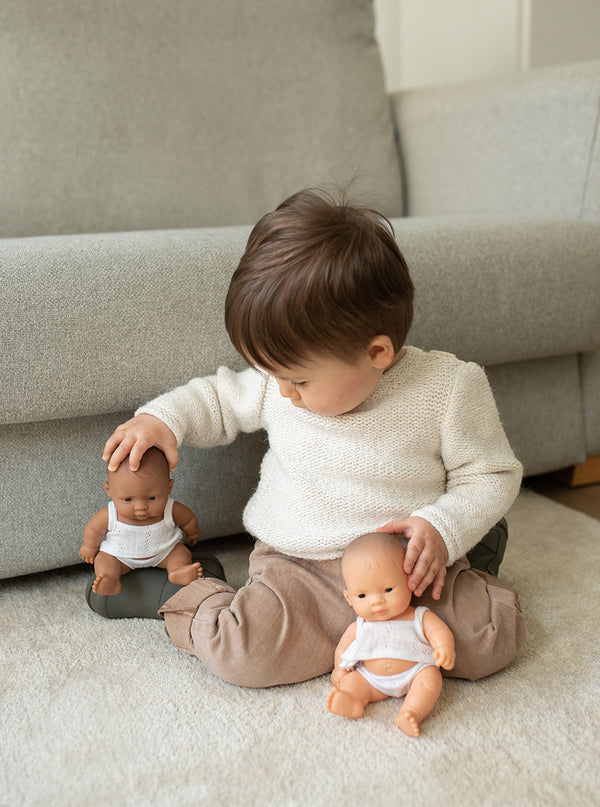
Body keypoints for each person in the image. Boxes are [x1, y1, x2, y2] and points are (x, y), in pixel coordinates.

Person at [101, 188, 525, 688]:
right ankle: (178, 596)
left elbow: (490, 473)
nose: (282, 392)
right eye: (270, 373)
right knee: (243, 653)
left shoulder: (447, 388)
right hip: (300, 569)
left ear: (377, 353)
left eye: (299, 381)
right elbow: (216, 399)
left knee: (489, 640)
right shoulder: (276, 383)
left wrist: (446, 526)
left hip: (404, 570)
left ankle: (474, 551)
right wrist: (161, 420)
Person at [327, 532, 455, 737]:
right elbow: (343, 649)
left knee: (430, 679)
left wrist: (444, 648)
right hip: (371, 679)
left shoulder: (418, 616)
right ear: (349, 598)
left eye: (387, 589)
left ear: (410, 583)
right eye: (362, 595)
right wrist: (339, 670)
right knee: (354, 682)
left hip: (414, 672)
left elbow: (438, 630)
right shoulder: (360, 626)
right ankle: (352, 700)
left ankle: (411, 712)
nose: (376, 601)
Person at [80, 447, 202, 595]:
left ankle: (178, 570)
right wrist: (89, 547)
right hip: (121, 557)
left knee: (181, 552)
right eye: (128, 499)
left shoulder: (171, 508)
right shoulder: (110, 514)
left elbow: (188, 519)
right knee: (104, 559)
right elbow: (94, 529)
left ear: (168, 487)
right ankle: (111, 579)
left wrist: (192, 533)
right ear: (109, 490)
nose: (140, 507)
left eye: (151, 498)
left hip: (164, 552)